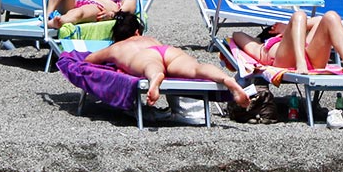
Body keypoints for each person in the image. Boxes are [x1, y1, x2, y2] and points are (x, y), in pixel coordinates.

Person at [86, 11, 250, 107]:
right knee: (196, 68)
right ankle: (226, 79)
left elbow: (89, 60)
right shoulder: (149, 39)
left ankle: (155, 77)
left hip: (145, 57)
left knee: (151, 65)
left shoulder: (116, 48)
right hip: (165, 50)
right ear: (137, 32)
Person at [231, 9, 343, 75]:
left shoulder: (298, 36)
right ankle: (300, 63)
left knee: (331, 16)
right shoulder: (262, 45)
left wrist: (287, 29)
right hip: (286, 60)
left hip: (310, 57)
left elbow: (318, 20)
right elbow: (237, 35)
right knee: (299, 15)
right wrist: (258, 39)